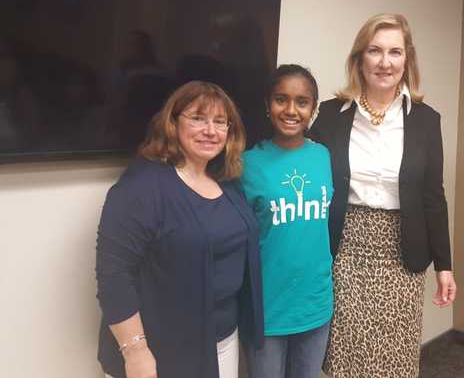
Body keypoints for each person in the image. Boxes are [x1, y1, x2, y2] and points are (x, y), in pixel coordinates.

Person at [309, 13, 457, 378]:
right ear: (359, 58)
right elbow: (311, 181)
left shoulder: (426, 119)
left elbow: (432, 197)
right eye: (374, 51)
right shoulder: (330, 115)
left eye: (395, 52)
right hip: (345, 248)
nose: (384, 62)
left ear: (407, 60)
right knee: (345, 354)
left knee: (394, 358)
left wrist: (445, 265)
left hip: (402, 252)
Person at [95, 81, 263, 378]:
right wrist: (135, 352)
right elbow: (113, 276)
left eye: (220, 122)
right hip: (162, 351)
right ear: (173, 124)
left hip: (222, 340)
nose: (210, 130)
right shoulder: (140, 187)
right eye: (198, 118)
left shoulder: (226, 179)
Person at [238, 64, 334, 378]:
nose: (291, 110)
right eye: (281, 99)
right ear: (268, 105)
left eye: (302, 102)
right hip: (267, 309)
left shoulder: (323, 156)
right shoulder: (247, 164)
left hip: (315, 303)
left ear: (313, 109)